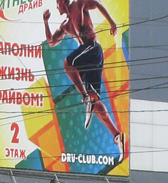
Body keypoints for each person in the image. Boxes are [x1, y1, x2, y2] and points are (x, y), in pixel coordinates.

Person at [44, 0, 126, 157]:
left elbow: (98, 4)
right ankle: (117, 135)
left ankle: (85, 98)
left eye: (57, 3)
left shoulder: (78, 4)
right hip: (89, 57)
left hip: (93, 48)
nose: (57, 7)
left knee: (68, 63)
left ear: (62, 1)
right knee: (95, 102)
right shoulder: (65, 25)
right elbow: (51, 42)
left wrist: (112, 22)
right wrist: (46, 22)